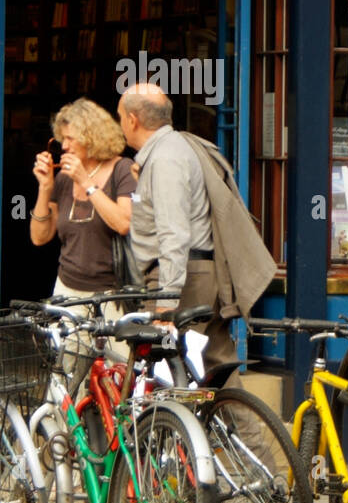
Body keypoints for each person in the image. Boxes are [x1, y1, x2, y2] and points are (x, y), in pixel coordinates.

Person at [117, 84, 275, 375]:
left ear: (133, 119)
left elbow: (173, 233)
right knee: (217, 366)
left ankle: (175, 423)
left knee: (166, 372)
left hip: (184, 279)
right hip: (199, 273)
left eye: (121, 118)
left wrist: (166, 301)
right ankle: (245, 421)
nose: (121, 126)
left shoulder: (165, 159)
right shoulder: (173, 150)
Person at [30, 98, 136, 310]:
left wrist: (86, 182)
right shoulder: (63, 178)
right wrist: (45, 188)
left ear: (92, 138)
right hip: (67, 289)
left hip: (111, 294)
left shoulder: (123, 169)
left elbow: (124, 223)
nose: (65, 146)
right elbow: (39, 237)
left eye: (71, 138)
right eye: (62, 139)